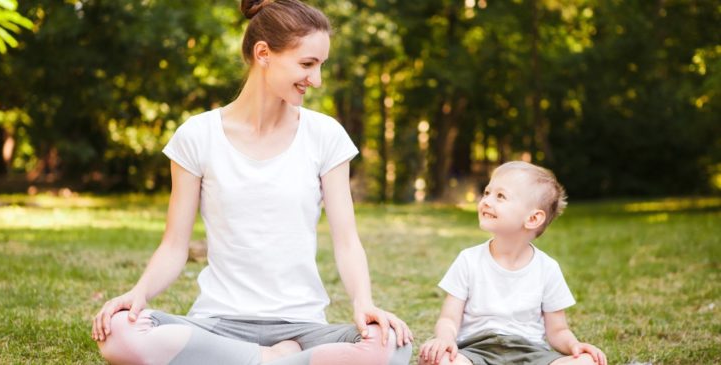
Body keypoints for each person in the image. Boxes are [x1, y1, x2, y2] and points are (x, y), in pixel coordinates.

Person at [91, 0, 413, 364]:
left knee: (393, 345)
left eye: (320, 65)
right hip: (217, 324)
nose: (317, 79)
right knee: (119, 334)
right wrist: (139, 293)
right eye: (307, 64)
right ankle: (274, 359)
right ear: (263, 53)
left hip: (301, 325)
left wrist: (364, 303)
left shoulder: (325, 135)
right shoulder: (197, 135)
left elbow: (347, 241)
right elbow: (174, 246)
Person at [418, 161, 607, 365]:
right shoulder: (468, 260)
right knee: (437, 361)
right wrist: (444, 340)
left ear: (533, 218)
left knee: (588, 362)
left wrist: (574, 346)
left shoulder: (548, 268)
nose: (487, 201)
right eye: (487, 192)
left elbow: (558, 330)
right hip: (475, 352)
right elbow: (449, 318)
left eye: (500, 196)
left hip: (530, 354)